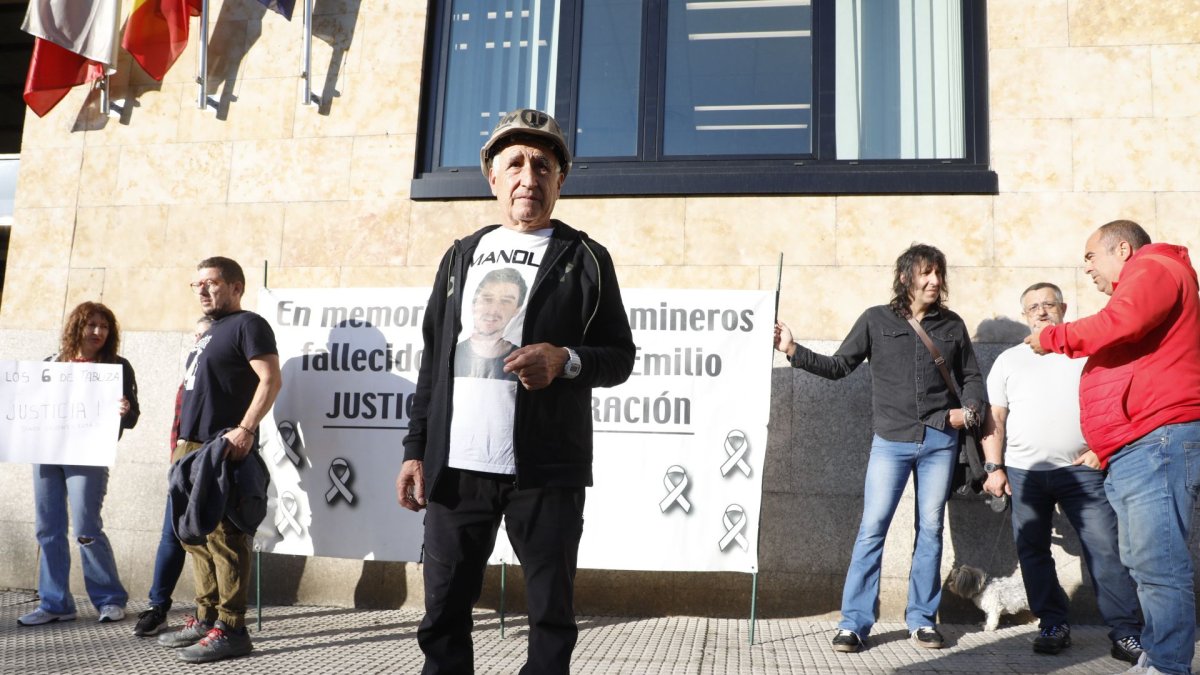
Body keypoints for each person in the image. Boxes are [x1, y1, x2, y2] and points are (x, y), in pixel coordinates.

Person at [396, 108, 635, 675]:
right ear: (493, 176)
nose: (530, 176)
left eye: (543, 165)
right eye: (516, 163)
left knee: (551, 615)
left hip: (547, 472)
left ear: (560, 179)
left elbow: (619, 357)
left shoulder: (586, 259)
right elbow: (435, 358)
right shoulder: (461, 255)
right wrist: (414, 448)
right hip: (456, 469)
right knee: (444, 612)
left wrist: (566, 360)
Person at [775, 244, 985, 653]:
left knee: (930, 530)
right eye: (926, 273)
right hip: (891, 442)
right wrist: (793, 351)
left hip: (941, 440)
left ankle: (922, 620)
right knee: (872, 530)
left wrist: (971, 410)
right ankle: (854, 622)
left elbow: (972, 377)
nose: (935, 281)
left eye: (939, 274)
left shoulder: (953, 326)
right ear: (906, 276)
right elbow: (839, 367)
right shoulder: (876, 319)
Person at [1027, 220, 1200, 675]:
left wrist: (1052, 338)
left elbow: (1119, 322)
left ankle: (1167, 664)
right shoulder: (1149, 277)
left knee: (1158, 562)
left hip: (1156, 441)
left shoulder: (1154, 267)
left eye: (1090, 257)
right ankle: (1158, 656)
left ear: (1121, 249)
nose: (1087, 269)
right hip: (1137, 445)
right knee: (1146, 562)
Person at [981, 282, 1143, 663]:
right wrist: (995, 467)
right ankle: (1053, 623)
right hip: (1023, 473)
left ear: (1063, 308)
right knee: (1032, 550)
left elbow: (1116, 405)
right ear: (1024, 315)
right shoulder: (1009, 360)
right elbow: (996, 418)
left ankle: (1126, 632)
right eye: (1033, 307)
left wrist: (1101, 451)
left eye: (1048, 304)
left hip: (1081, 471)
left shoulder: (1088, 353)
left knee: (1105, 549)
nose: (1041, 312)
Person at [155, 257, 281, 664]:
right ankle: (205, 616)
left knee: (226, 539)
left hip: (221, 448)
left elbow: (271, 379)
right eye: (196, 285)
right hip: (189, 449)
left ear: (236, 287)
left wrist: (244, 429)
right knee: (193, 537)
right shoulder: (209, 333)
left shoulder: (249, 324)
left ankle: (232, 628)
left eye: (211, 283)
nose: (202, 291)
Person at [18, 301, 139, 626]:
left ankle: (110, 598)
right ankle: (55, 603)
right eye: (92, 325)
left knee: (86, 528)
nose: (98, 332)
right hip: (46, 454)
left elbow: (132, 417)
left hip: (87, 455)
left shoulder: (116, 366)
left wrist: (125, 409)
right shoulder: (51, 363)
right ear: (77, 327)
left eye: (104, 326)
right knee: (48, 529)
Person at [133, 315, 213, 637]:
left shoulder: (226, 374)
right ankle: (158, 607)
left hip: (213, 465)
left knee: (214, 543)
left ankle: (212, 613)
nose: (197, 342)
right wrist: (176, 460)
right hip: (183, 465)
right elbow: (178, 425)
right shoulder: (189, 378)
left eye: (203, 336)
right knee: (172, 536)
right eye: (195, 336)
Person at [454, 267, 526, 380]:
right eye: (487, 299)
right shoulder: (450, 354)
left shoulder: (525, 360)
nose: (493, 311)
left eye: (506, 301)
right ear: (473, 304)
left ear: (517, 309)